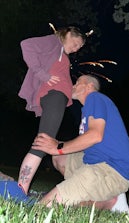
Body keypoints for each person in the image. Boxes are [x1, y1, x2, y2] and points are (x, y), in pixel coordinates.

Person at [32, 74, 129, 213]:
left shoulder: (95, 98)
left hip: (111, 170)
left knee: (41, 209)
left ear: (89, 86)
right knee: (59, 158)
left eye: (77, 82)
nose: (73, 86)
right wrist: (58, 144)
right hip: (93, 162)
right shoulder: (89, 108)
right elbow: (89, 142)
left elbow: (95, 136)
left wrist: (58, 147)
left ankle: (108, 200)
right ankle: (106, 199)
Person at [17, 24, 92, 194]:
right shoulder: (53, 42)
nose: (77, 48)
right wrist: (42, 74)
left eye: (80, 47)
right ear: (68, 34)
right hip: (54, 95)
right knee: (42, 143)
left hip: (57, 97)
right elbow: (26, 45)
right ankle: (21, 191)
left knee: (43, 142)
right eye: (77, 43)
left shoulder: (60, 53)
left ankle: (22, 190)